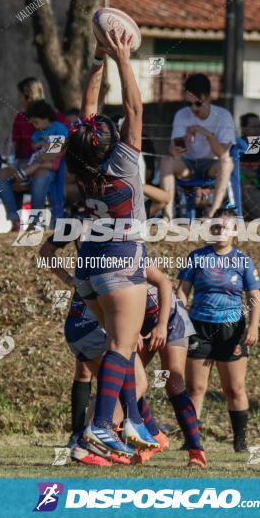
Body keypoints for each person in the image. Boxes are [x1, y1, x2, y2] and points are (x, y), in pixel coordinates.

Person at [65, 30, 159, 459]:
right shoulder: (122, 159)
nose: (104, 121)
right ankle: (102, 426)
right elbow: (135, 107)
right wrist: (123, 58)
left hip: (88, 262)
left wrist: (98, 59)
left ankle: (133, 418)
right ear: (108, 140)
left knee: (118, 347)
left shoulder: (80, 158)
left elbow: (88, 112)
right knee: (124, 346)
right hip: (121, 260)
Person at [178, 210, 260, 455]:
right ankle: (192, 440)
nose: (220, 231)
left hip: (231, 330)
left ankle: (240, 442)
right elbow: (182, 291)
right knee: (195, 389)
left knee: (234, 389)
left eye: (225, 227)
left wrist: (254, 326)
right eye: (215, 227)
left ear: (235, 231)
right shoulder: (196, 257)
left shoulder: (242, 260)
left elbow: (255, 297)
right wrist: (181, 317)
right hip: (199, 328)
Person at [135, 266, 205, 467]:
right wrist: (129, 330)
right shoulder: (93, 267)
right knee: (129, 381)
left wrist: (161, 326)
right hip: (137, 322)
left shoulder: (126, 253)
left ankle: (196, 451)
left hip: (169, 315)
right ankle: (155, 437)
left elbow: (165, 283)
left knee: (173, 383)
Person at [160, 74, 237, 219]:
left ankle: (213, 213)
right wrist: (177, 147)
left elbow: (223, 154)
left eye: (198, 103)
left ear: (208, 98)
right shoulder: (182, 114)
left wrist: (208, 135)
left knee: (227, 162)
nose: (193, 109)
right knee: (166, 160)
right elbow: (174, 150)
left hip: (211, 166)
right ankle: (168, 215)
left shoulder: (223, 115)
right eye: (189, 104)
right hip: (188, 165)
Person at [0, 99, 67, 228]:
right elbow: (34, 145)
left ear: (46, 117)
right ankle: (14, 220)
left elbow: (55, 152)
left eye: (36, 122)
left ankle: (34, 222)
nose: (34, 126)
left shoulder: (59, 128)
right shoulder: (38, 132)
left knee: (39, 173)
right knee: (2, 174)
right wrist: (42, 148)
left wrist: (42, 155)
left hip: (52, 165)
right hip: (34, 161)